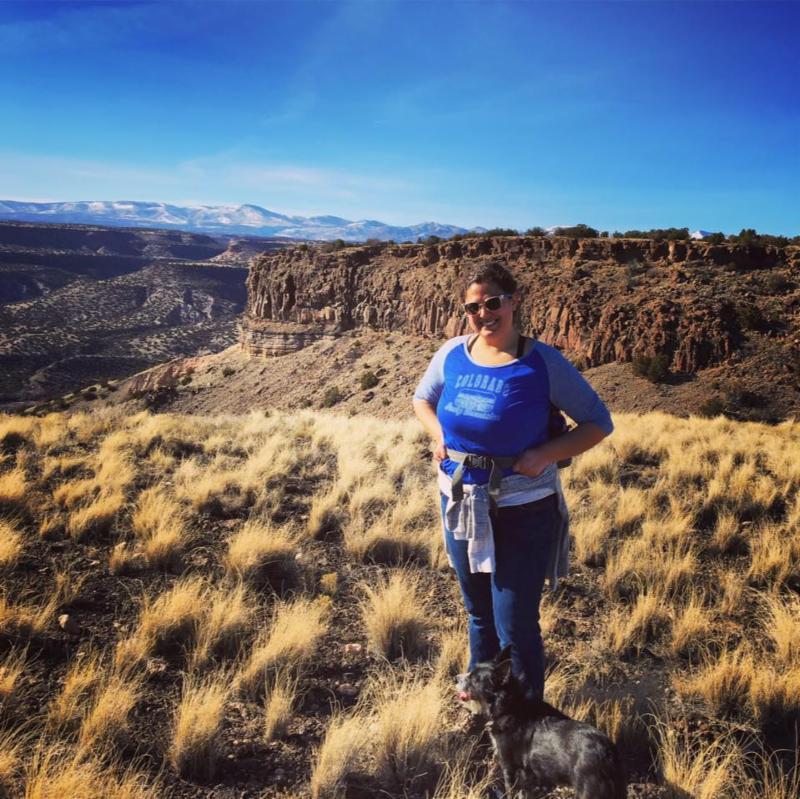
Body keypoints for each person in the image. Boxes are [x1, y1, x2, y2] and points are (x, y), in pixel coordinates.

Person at [412, 261, 613, 701]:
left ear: (514, 300)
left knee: (515, 624)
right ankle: (484, 699)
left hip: (523, 508)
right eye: (473, 307)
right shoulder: (452, 353)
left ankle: (525, 716)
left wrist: (544, 454)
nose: (483, 314)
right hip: (461, 501)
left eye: (493, 303)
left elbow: (599, 422)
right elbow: (422, 399)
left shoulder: (542, 362)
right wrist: (439, 435)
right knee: (478, 612)